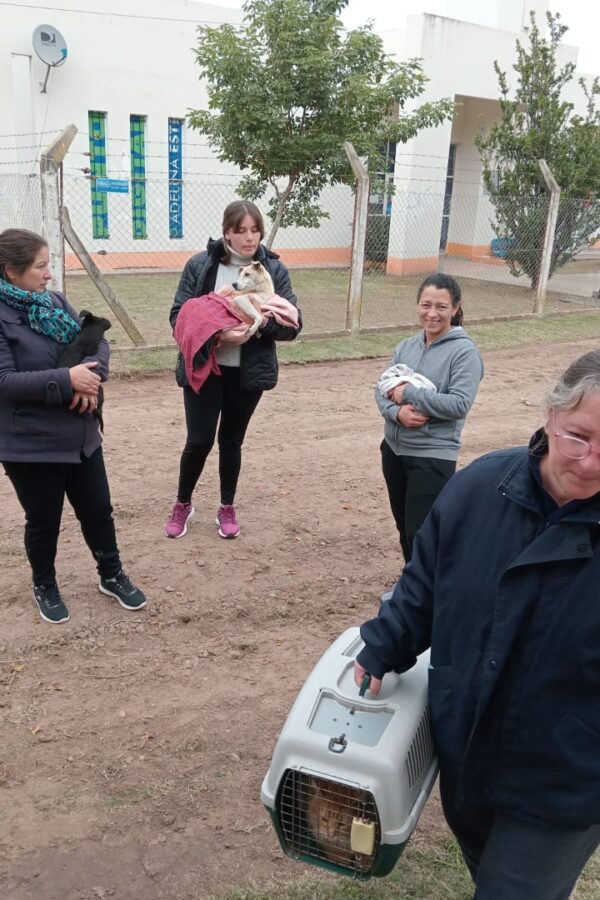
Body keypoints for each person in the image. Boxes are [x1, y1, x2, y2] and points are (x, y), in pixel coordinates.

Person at [354, 349, 600, 899]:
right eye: (578, 437)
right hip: (466, 750)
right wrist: (385, 644)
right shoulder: (479, 488)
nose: (590, 463)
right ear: (550, 415)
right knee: (488, 869)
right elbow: (424, 583)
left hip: (564, 776)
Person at [0, 228, 146, 624]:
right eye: (41, 266)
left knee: (98, 509)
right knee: (44, 520)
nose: (49, 274)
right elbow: (5, 382)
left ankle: (111, 574)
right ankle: (44, 584)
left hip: (80, 434)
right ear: (12, 271)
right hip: (30, 443)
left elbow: (96, 338)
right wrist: (68, 381)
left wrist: (91, 379)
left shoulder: (55, 302)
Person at [164, 199, 301, 540]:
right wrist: (218, 332)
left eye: (255, 230)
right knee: (198, 440)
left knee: (231, 442)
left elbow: (292, 325)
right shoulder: (201, 265)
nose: (249, 238)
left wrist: (258, 325)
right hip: (205, 368)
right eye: (241, 231)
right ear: (227, 231)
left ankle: (226, 507)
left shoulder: (273, 270)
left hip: (247, 374)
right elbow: (178, 316)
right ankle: (183, 503)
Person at [376, 272, 483, 567]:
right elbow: (382, 389)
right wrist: (395, 412)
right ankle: (412, 587)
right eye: (425, 305)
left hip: (432, 456)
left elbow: (459, 404)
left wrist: (409, 393)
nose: (432, 313)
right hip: (394, 450)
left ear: (456, 308)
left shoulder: (464, 353)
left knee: (422, 532)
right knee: (404, 528)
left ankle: (426, 594)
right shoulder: (406, 347)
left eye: (441, 307)